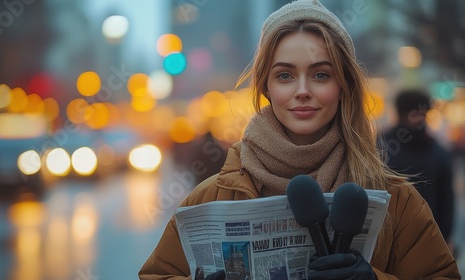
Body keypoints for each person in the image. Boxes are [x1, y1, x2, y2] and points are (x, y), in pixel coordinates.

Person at [139, 0, 461, 279]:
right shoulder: (211, 199)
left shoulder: (396, 201)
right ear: (266, 87)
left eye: (321, 74)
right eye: (285, 75)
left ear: (343, 85)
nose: (302, 90)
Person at [379, 88, 456, 253]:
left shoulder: (381, 145)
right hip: (387, 238)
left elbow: (446, 199)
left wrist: (445, 238)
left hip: (427, 237)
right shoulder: (379, 147)